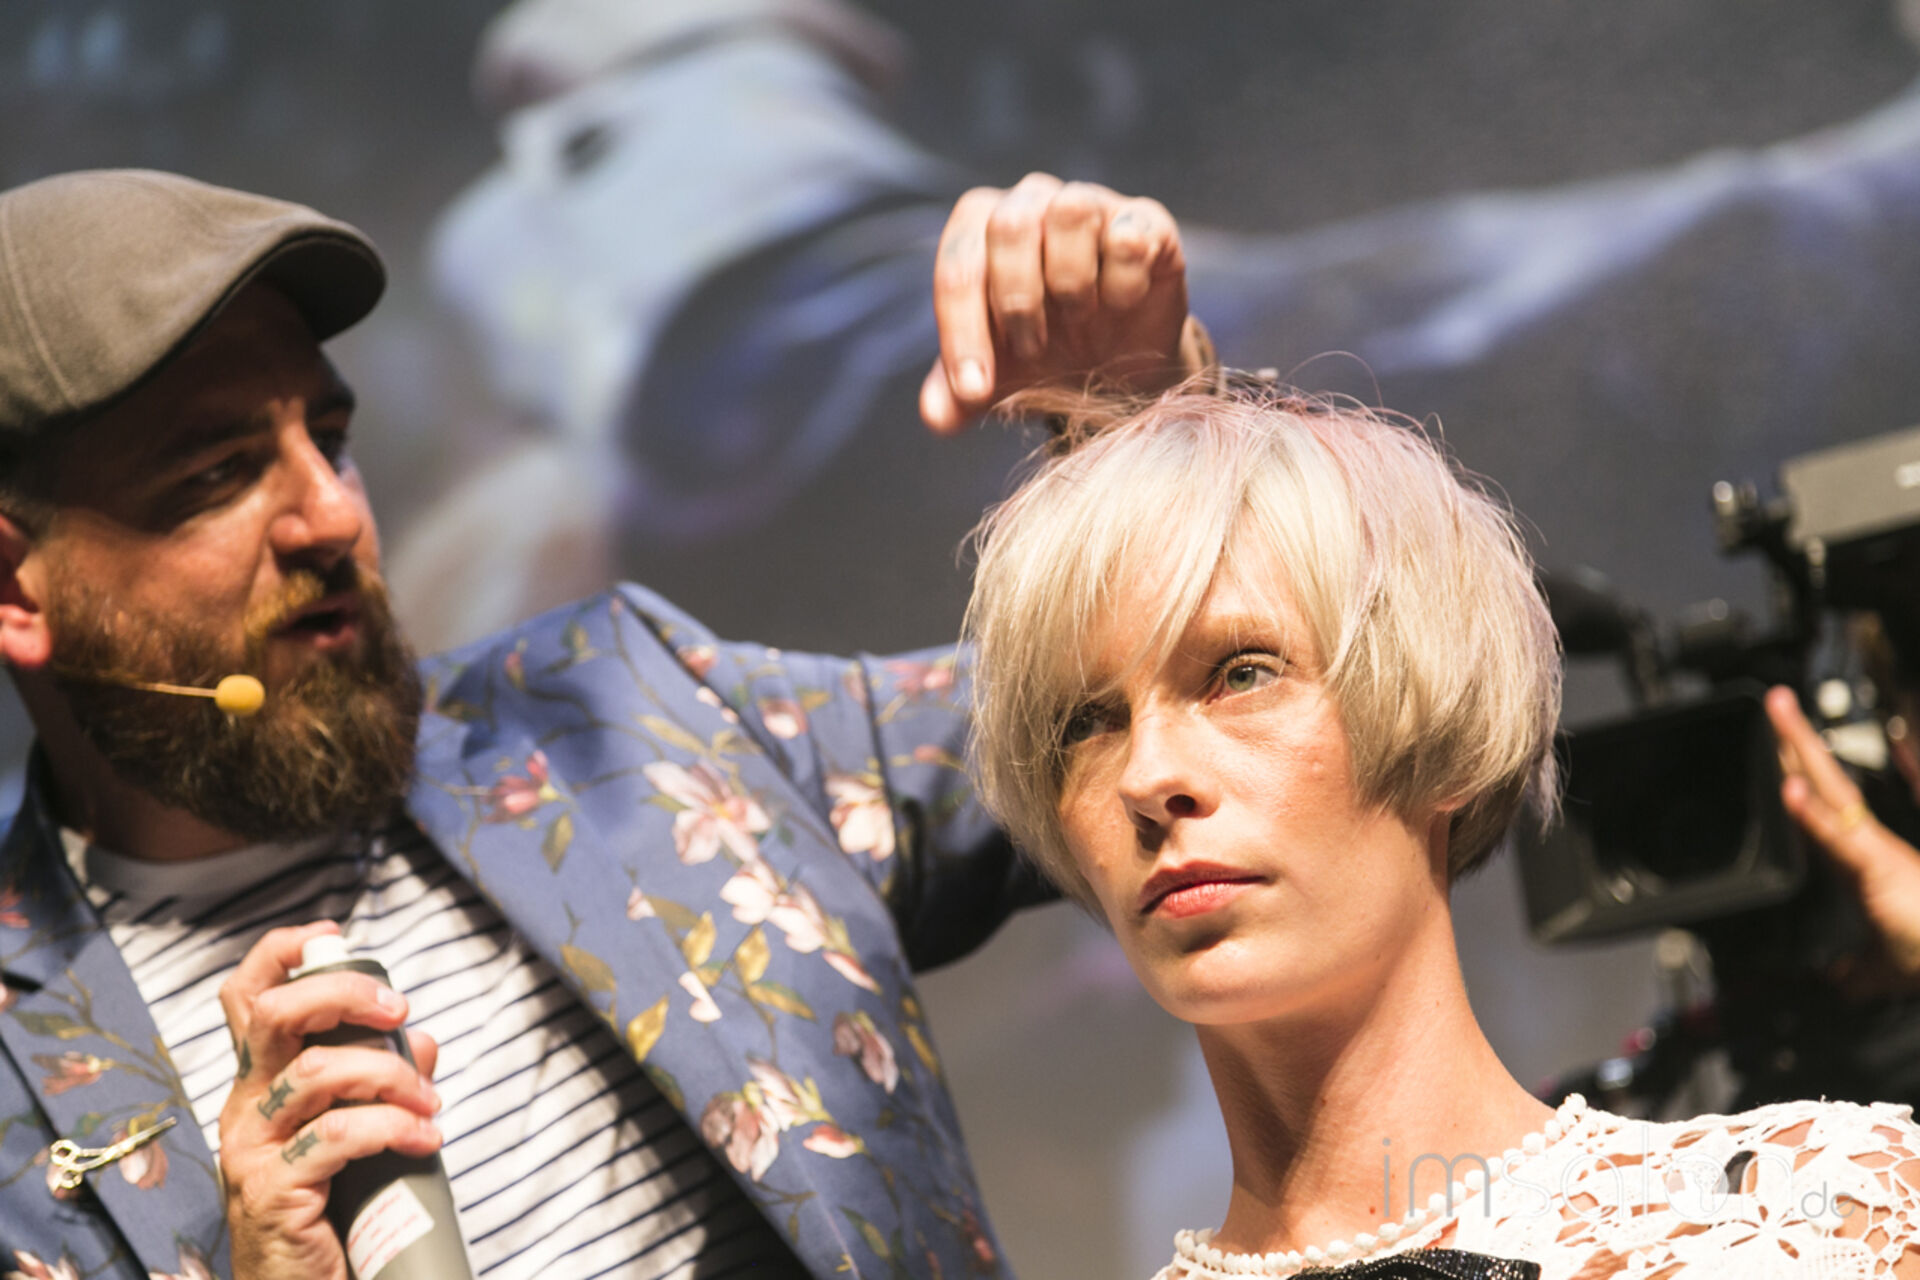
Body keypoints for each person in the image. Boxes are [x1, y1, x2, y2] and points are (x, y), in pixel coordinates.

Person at [0, 167, 1197, 1279]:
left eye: (332, 438)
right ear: (17, 589)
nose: (330, 515)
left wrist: (1136, 428)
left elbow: (1112, 727)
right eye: (214, 474)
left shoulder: (615, 715)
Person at [960, 382, 1920, 1277]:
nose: (1146, 777)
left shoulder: (1824, 1219)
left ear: (1441, 721)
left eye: (1243, 673)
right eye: (1086, 723)